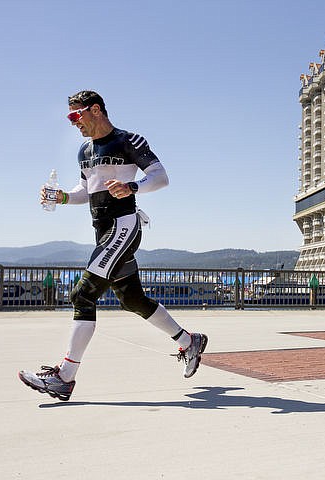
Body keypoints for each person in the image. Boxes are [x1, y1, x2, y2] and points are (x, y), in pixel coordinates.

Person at [19, 91, 208, 401]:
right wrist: (62, 197)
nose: (73, 123)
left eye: (75, 116)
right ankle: (189, 341)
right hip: (102, 229)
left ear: (96, 110)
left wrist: (131, 186)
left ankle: (65, 377)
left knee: (82, 294)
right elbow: (85, 191)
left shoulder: (127, 140)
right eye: (69, 118)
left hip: (124, 226)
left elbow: (160, 177)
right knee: (132, 299)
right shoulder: (84, 151)